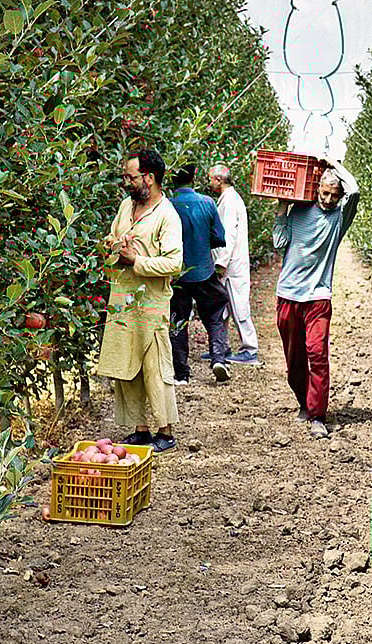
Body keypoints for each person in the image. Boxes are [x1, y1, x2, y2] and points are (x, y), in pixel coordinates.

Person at [96, 149, 183, 453]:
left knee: (154, 366)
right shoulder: (125, 206)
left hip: (151, 304)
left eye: (130, 177)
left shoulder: (167, 215)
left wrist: (137, 260)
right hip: (122, 299)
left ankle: (165, 430)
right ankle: (140, 428)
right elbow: (111, 238)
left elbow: (174, 263)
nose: (126, 182)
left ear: (150, 177)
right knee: (126, 364)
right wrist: (113, 246)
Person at [273, 158, 359, 439]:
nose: (329, 199)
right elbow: (279, 244)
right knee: (294, 358)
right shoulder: (298, 211)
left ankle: (318, 416)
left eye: (335, 195)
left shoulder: (338, 218)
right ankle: (304, 404)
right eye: (325, 193)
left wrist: (333, 163)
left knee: (317, 355)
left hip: (318, 297)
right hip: (288, 294)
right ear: (316, 188)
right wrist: (281, 210)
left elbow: (355, 191)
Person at [169, 164, 230, 384]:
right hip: (204, 271)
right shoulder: (207, 203)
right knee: (215, 312)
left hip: (177, 274)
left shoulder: (166, 205)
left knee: (177, 321)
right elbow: (219, 237)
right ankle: (218, 359)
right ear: (194, 177)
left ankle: (182, 374)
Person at [208, 164, 259, 365]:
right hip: (231, 264)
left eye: (210, 179)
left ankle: (250, 349)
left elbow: (228, 234)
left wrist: (221, 263)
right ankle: (222, 347)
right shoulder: (229, 199)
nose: (209, 183)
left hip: (231, 265)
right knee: (224, 308)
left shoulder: (229, 202)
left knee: (239, 307)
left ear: (219, 180)